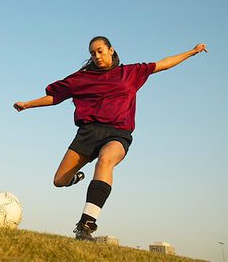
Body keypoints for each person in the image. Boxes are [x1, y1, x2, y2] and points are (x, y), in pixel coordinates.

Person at [13, 36, 207, 241]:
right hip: (88, 133)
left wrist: (192, 52)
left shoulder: (129, 73)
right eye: (92, 53)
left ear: (111, 50)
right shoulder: (81, 78)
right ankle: (76, 178)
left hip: (117, 133)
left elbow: (163, 64)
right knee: (59, 180)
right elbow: (56, 97)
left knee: (106, 160)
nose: (97, 56)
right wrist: (28, 104)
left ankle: (85, 226)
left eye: (100, 51)